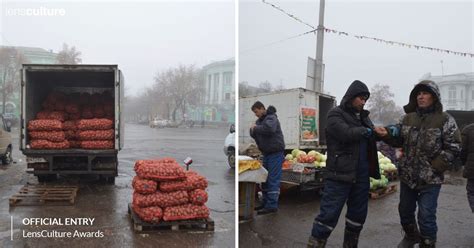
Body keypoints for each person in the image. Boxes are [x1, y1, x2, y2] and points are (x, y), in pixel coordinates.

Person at [375, 80, 461, 248]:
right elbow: (397, 139)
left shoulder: (444, 119)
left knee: (426, 215)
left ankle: (428, 242)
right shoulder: (407, 118)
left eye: (425, 93)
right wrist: (385, 135)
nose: (421, 97)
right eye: (418, 94)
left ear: (434, 97)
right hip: (408, 176)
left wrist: (436, 166)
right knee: (405, 212)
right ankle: (411, 236)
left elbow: (455, 147)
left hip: (431, 179)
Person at [308, 80, 381, 248]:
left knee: (357, 216)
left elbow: (371, 136)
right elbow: (345, 133)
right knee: (328, 216)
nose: (363, 102)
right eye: (361, 98)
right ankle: (316, 243)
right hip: (339, 174)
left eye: (365, 99)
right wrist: (367, 131)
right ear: (351, 97)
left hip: (361, 177)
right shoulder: (336, 114)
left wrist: (381, 132)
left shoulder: (365, 118)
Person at [249, 101, 285, 215]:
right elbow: (255, 133)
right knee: (264, 178)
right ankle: (265, 203)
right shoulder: (260, 121)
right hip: (267, 154)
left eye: (256, 112)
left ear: (262, 108)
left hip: (275, 153)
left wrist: (256, 128)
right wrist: (253, 130)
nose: (256, 114)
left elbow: (269, 129)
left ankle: (272, 206)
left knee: (272, 179)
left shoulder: (271, 118)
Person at [461, 123, 474, 213]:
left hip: (472, 169)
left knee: (472, 192)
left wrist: (465, 163)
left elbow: (462, 151)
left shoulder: (468, 130)